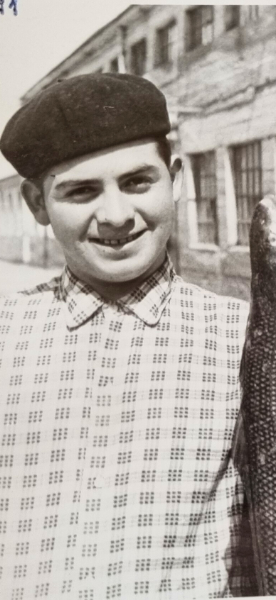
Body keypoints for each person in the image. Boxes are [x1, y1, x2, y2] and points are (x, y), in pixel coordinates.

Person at [0, 74, 256, 598]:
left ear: (176, 178)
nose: (116, 215)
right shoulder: (5, 335)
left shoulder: (249, 339)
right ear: (37, 204)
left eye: (137, 181)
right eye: (81, 191)